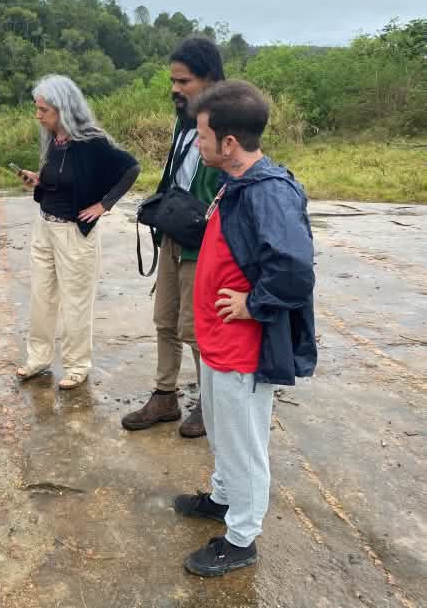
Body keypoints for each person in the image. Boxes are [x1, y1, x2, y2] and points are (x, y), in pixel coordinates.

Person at [174, 80, 316, 576]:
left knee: (244, 442)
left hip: (243, 347)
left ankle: (241, 538)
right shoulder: (237, 185)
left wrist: (256, 304)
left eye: (202, 135)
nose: (198, 143)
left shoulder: (268, 193)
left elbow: (295, 269)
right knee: (220, 428)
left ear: (229, 143)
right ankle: (221, 497)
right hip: (218, 343)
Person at [122, 38, 224, 438]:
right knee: (165, 319)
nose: (175, 89)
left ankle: (209, 402)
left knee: (198, 328)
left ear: (210, 79)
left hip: (204, 243)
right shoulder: (185, 126)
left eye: (184, 81)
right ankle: (165, 396)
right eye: (173, 81)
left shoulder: (226, 125)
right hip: (174, 236)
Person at [16, 74, 140, 390]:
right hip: (44, 227)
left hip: (73, 233)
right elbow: (61, 179)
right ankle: (39, 358)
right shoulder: (54, 140)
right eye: (38, 108)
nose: (38, 115)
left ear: (63, 108)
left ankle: (76, 365)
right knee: (41, 297)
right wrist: (38, 180)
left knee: (76, 302)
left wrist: (104, 205)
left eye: (44, 109)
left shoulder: (91, 141)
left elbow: (131, 168)